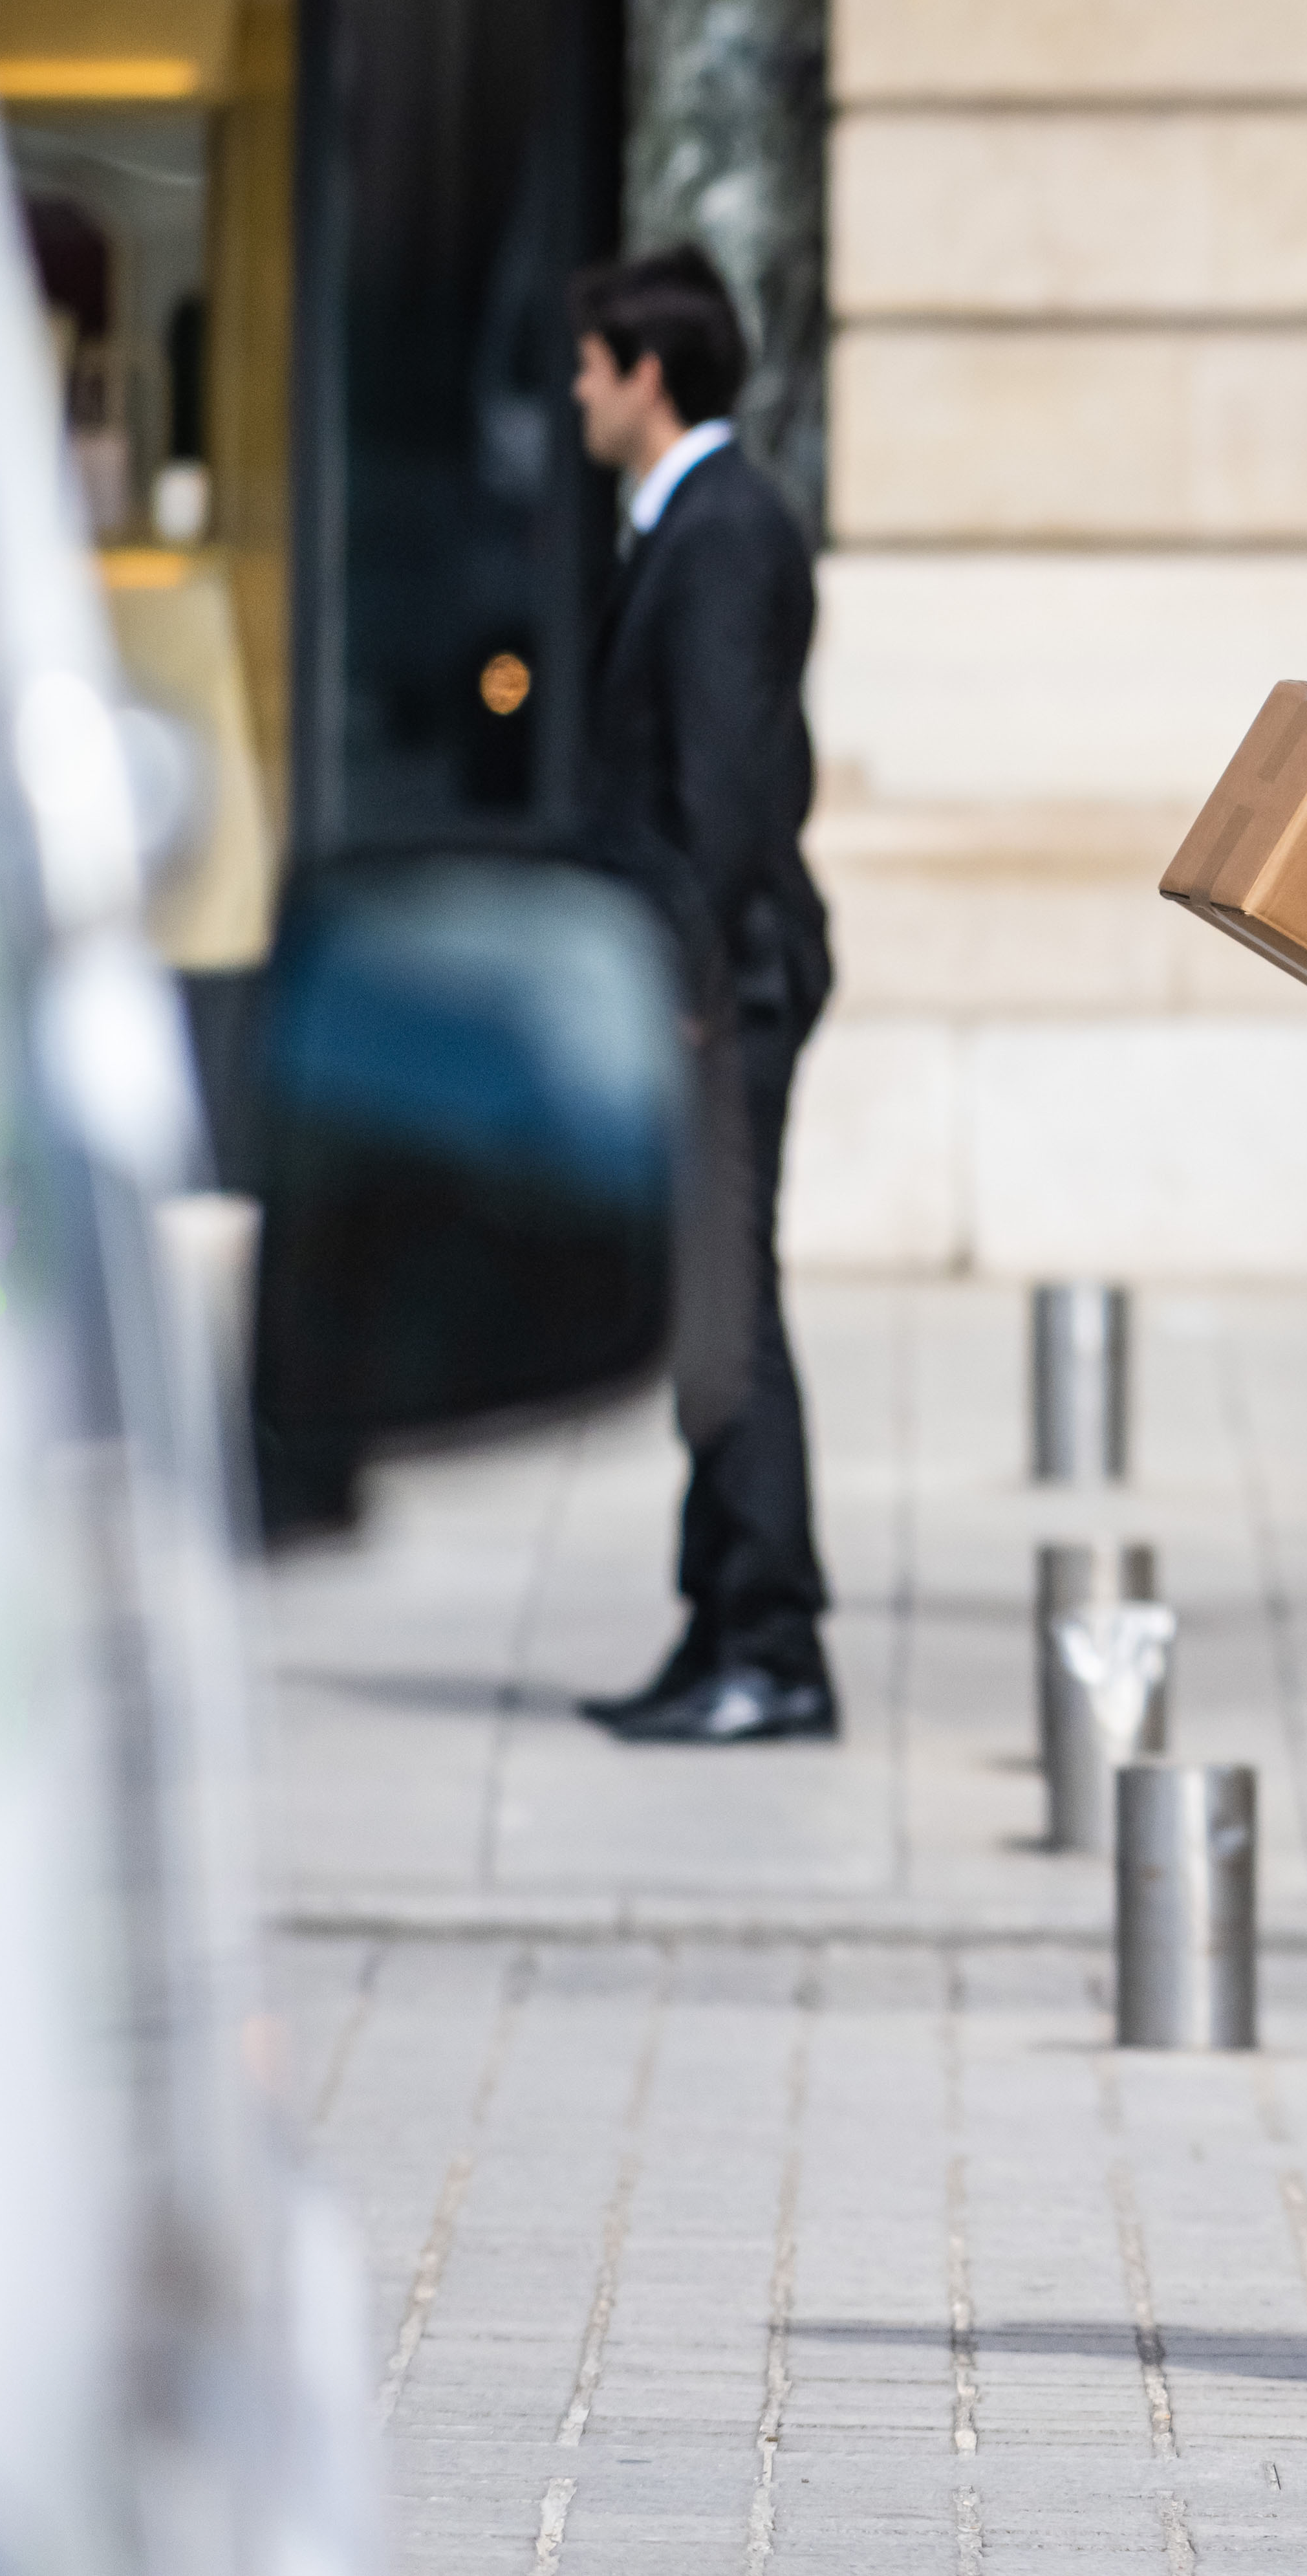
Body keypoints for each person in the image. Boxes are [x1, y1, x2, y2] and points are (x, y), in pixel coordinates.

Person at [560, 245, 838, 1747]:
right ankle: (719, 1622)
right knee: (705, 1311)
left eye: (590, 366)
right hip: (713, 978)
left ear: (645, 374)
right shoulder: (699, 518)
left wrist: (680, 976)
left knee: (729, 1313)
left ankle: (773, 1646)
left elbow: (727, 787)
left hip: (722, 988)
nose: (577, 394)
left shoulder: (723, 527)